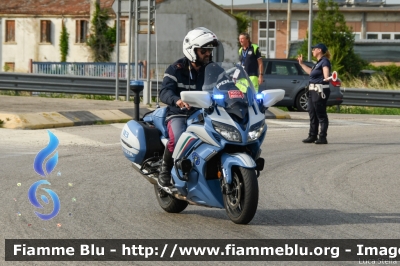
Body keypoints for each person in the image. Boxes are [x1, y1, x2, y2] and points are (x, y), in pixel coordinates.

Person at [158, 27, 219, 188]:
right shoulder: (176, 69)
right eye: (203, 50)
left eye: (209, 50)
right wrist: (177, 100)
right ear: (192, 50)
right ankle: (165, 171)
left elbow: (226, 85)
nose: (208, 53)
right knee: (178, 138)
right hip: (180, 114)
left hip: (204, 113)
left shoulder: (212, 70)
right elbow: (164, 92)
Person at [297, 43, 331, 144]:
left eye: (314, 49)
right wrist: (301, 63)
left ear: (319, 50)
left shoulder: (325, 62)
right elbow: (311, 72)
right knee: (312, 113)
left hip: (319, 91)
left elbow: (326, 75)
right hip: (312, 91)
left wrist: (326, 77)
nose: (312, 51)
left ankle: (322, 137)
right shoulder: (318, 63)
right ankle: (312, 135)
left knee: (321, 114)